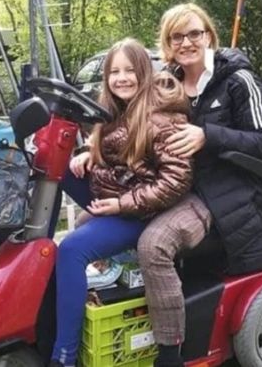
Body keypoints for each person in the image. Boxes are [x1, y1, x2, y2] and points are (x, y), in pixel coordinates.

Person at [136, 3, 262, 366]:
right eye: (177, 36)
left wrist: (208, 136)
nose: (186, 42)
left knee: (154, 244)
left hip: (227, 192)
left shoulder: (238, 81)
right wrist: (93, 150)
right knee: (94, 221)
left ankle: (169, 354)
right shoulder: (165, 82)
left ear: (209, 36)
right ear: (167, 43)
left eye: (194, 33)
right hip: (177, 184)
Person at [49, 38, 193, 367]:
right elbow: (116, 153)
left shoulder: (164, 115)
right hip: (115, 196)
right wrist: (87, 153)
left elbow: (176, 181)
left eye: (130, 70)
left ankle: (64, 356)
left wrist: (121, 205)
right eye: (114, 72)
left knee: (71, 250)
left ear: (144, 72)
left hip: (143, 211)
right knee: (54, 167)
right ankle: (35, 255)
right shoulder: (112, 109)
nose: (122, 78)